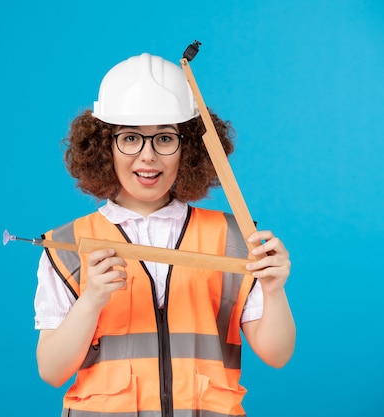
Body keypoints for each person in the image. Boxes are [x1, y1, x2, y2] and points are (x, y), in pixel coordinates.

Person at [33, 52, 296, 417]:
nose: (148, 156)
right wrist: (91, 300)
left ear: (187, 147)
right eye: (129, 138)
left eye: (165, 139)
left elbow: (277, 354)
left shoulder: (234, 238)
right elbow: (51, 370)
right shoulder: (67, 246)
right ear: (104, 147)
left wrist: (273, 288)